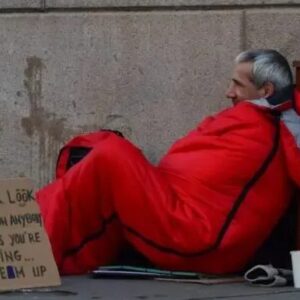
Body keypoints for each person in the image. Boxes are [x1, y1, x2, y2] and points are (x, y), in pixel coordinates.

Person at [37, 49, 300, 275]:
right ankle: (27, 230)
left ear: (266, 91)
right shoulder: (253, 123)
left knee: (112, 154)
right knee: (98, 147)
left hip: (199, 239)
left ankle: (34, 246)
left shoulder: (274, 131)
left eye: (238, 85)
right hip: (181, 215)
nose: (228, 92)